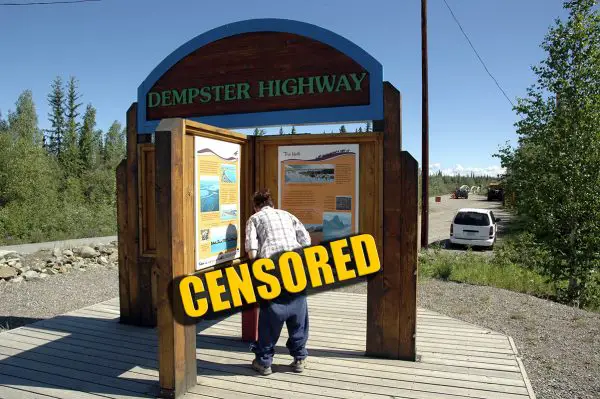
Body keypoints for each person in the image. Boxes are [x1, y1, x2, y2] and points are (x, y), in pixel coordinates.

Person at [245, 188, 311, 376]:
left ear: (256, 207)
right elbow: (305, 240)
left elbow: (252, 250)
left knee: (269, 318)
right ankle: (299, 358)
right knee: (299, 315)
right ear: (272, 204)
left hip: (272, 271)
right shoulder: (287, 215)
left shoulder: (254, 219)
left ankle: (264, 362)